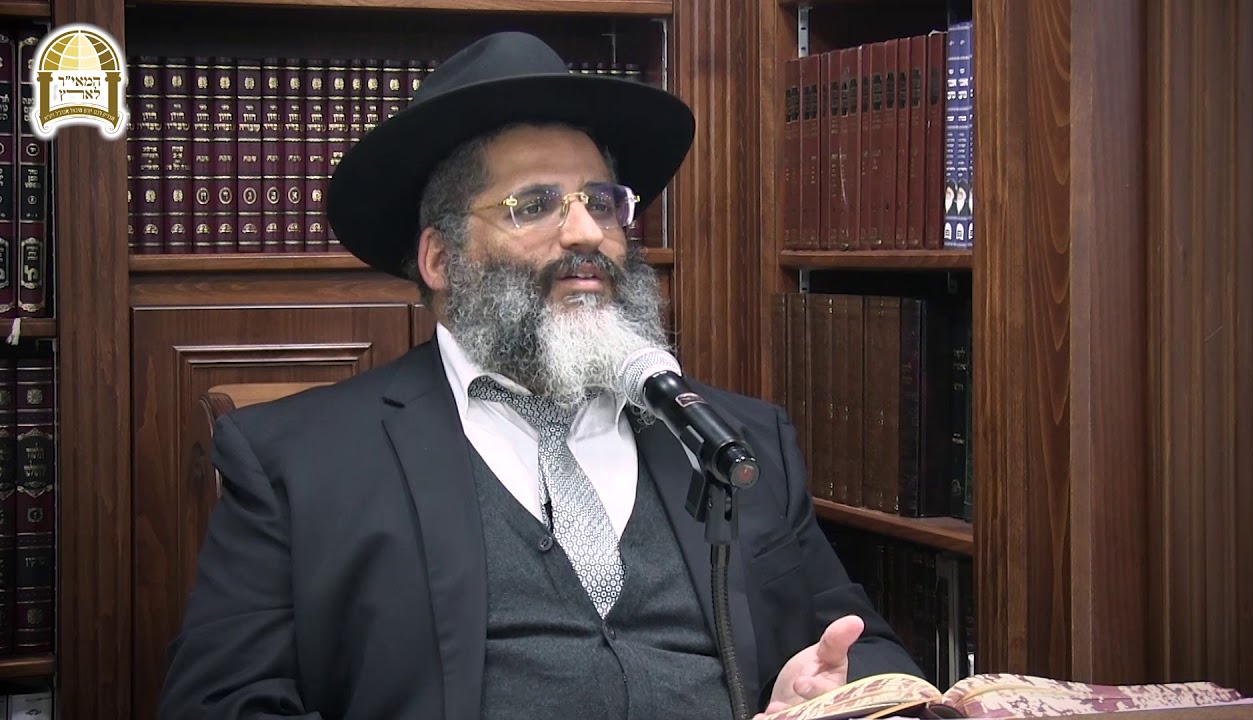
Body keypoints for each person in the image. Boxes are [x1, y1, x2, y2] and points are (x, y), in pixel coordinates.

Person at [158, 31, 922, 720]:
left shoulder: (735, 440)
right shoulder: (297, 461)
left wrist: (839, 696)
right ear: (440, 259)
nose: (587, 232)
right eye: (534, 206)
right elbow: (220, 703)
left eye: (603, 203)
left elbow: (861, 647)